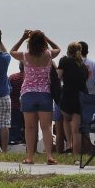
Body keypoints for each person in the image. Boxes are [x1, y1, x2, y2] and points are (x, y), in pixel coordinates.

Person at [11, 29, 60, 165]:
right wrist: (46, 37)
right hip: (45, 94)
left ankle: (30, 157)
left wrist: (22, 38)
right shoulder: (48, 55)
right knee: (46, 127)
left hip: (28, 94)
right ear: (43, 42)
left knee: (30, 128)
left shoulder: (25, 55)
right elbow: (58, 49)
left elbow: (12, 51)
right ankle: (49, 156)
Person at [56, 42, 89, 155]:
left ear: (68, 51)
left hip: (68, 96)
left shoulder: (64, 60)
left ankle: (69, 144)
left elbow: (58, 76)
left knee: (66, 118)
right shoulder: (83, 66)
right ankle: (76, 156)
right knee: (77, 131)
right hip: (80, 98)